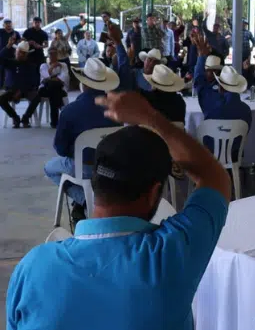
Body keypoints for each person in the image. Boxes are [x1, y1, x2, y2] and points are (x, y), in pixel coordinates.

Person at [8, 91, 231, 330]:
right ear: (155, 192)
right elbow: (213, 175)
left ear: (93, 183)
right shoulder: (171, 255)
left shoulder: (32, 267)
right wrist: (152, 117)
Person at [43, 57, 121, 223]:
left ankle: (84, 201)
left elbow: (61, 149)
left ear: (83, 83)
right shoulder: (117, 110)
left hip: (83, 168)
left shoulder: (70, 110)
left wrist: (76, 149)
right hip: (110, 167)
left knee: (50, 168)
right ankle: (86, 201)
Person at [0, 41, 41, 128]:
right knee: (1, 99)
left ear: (26, 54)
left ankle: (26, 117)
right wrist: (7, 47)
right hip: (11, 90)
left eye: (23, 53)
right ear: (16, 51)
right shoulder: (10, 62)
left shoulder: (31, 66)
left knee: (37, 97)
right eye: (19, 52)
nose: (20, 54)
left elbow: (33, 81)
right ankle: (15, 117)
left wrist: (21, 91)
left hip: (26, 90)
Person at [26, 48, 69, 128]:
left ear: (57, 55)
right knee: (54, 88)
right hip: (45, 89)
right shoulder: (43, 65)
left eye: (54, 54)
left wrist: (51, 79)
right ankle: (56, 116)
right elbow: (46, 76)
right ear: (48, 55)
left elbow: (63, 78)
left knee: (53, 89)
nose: (52, 56)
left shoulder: (63, 65)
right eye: (51, 54)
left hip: (56, 89)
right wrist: (52, 67)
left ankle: (54, 122)